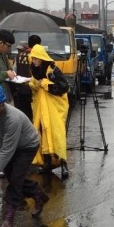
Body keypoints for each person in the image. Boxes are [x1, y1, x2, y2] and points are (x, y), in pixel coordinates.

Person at [0, 82, 49, 227]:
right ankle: (38, 194)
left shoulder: (12, 119)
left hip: (27, 146)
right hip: (11, 145)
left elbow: (9, 149)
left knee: (15, 180)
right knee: (13, 176)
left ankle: (8, 219)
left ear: (0, 105)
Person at [29, 44, 69, 177]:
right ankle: (47, 164)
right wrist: (34, 84)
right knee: (42, 134)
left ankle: (63, 164)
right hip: (41, 109)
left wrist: (47, 85)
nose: (34, 61)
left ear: (41, 57)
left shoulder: (53, 69)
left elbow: (63, 87)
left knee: (57, 135)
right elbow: (36, 89)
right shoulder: (34, 70)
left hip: (54, 110)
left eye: (36, 58)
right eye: (33, 58)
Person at [13, 34, 42, 121]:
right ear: (39, 45)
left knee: (23, 115)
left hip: (20, 90)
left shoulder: (19, 56)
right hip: (33, 91)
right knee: (34, 116)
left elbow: (14, 70)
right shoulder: (37, 57)